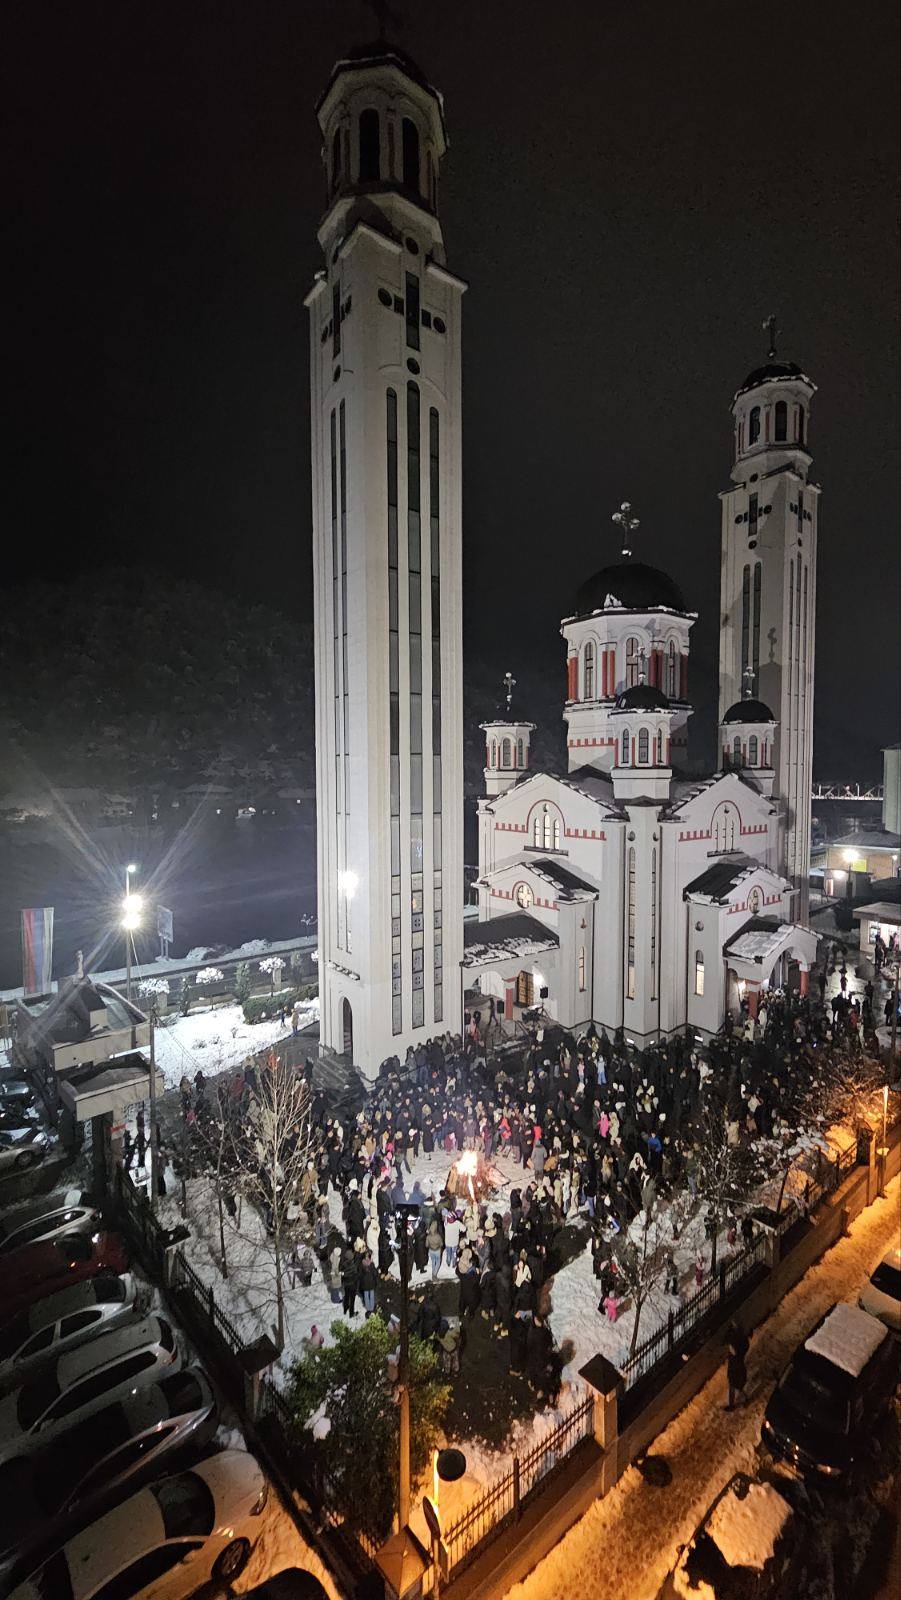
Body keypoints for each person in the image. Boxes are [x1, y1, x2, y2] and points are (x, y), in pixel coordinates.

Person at [724, 1322, 749, 1410]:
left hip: (735, 1368)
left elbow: (734, 1353)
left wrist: (731, 1347)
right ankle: (742, 1400)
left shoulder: (735, 1346)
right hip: (738, 1367)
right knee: (736, 1386)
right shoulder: (744, 1342)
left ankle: (732, 1405)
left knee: (734, 1386)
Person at [359, 1250, 378, 1316]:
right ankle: (372, 1307)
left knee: (366, 1295)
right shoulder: (372, 1264)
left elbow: (360, 1275)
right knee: (372, 1295)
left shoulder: (361, 1264)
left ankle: (368, 1308)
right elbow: (375, 1274)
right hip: (371, 1282)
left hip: (364, 1283)